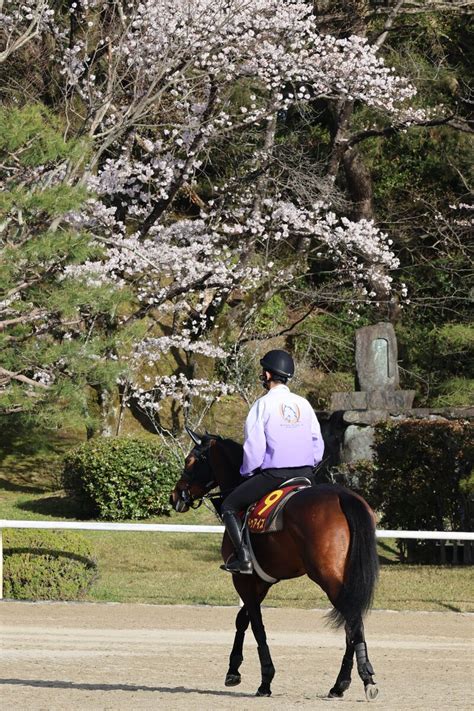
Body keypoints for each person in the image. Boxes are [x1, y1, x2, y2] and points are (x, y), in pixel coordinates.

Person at [221, 349, 324, 574]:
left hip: (275, 476)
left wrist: (247, 471)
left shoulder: (262, 404)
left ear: (267, 375)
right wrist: (311, 465)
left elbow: (254, 447)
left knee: (228, 505)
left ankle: (243, 558)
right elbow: (317, 443)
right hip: (306, 475)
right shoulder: (303, 404)